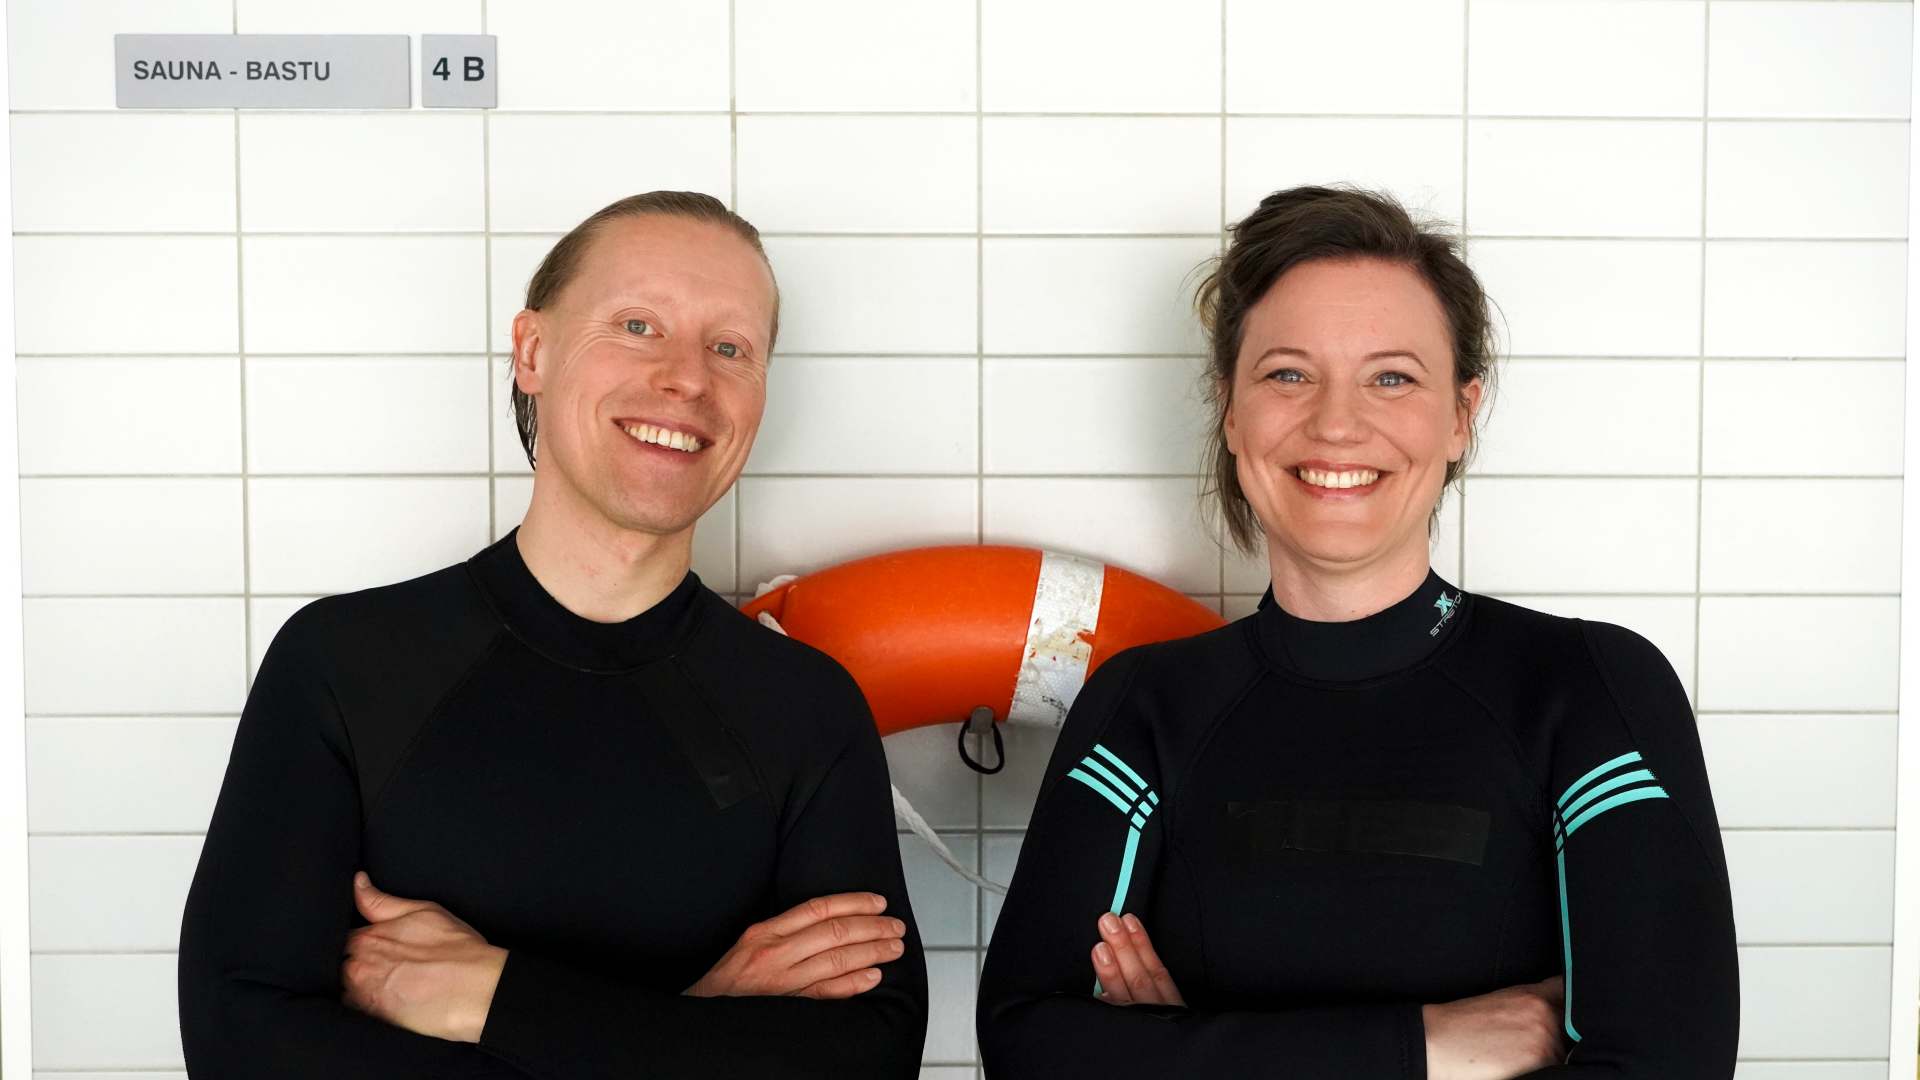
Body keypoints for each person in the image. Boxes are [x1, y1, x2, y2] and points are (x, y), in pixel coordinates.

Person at [976, 185, 1739, 1078]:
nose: (1337, 424)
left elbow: (1665, 1065)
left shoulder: (1588, 687)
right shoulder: (1144, 705)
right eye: (1288, 374)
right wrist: (1427, 1047)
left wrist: (1188, 1054)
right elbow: (1026, 1045)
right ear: (1230, 411)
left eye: (1392, 377)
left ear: (1460, 416)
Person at [177, 191, 928, 1078]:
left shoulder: (805, 710)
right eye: (639, 326)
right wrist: (695, 1025)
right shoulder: (344, 667)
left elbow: (867, 1061)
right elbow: (243, 1048)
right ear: (532, 353)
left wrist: (493, 999)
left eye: (731, 348)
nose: (689, 378)